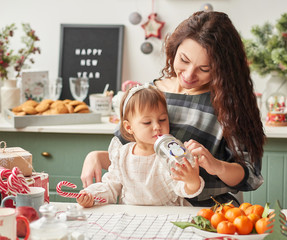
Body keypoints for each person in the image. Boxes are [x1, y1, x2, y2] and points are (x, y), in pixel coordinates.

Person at [81, 11, 265, 207]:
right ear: (174, 49)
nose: (189, 75)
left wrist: (217, 166)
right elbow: (134, 157)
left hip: (209, 215)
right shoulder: (149, 93)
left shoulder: (230, 105)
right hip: (151, 213)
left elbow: (251, 176)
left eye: (204, 69)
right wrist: (97, 157)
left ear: (223, 69)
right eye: (184, 60)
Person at [77, 84, 204, 207]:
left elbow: (182, 189)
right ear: (129, 127)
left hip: (167, 215)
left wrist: (192, 181)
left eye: (162, 120)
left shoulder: (171, 154)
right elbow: (110, 187)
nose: (157, 127)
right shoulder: (122, 154)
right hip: (132, 216)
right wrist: (91, 195)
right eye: (147, 122)